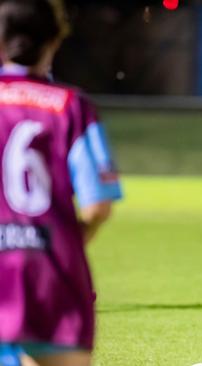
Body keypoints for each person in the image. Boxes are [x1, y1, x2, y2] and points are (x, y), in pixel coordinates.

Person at [0, 1, 123, 365]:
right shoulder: (71, 106)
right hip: (53, 273)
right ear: (54, 42)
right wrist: (67, 242)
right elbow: (98, 206)